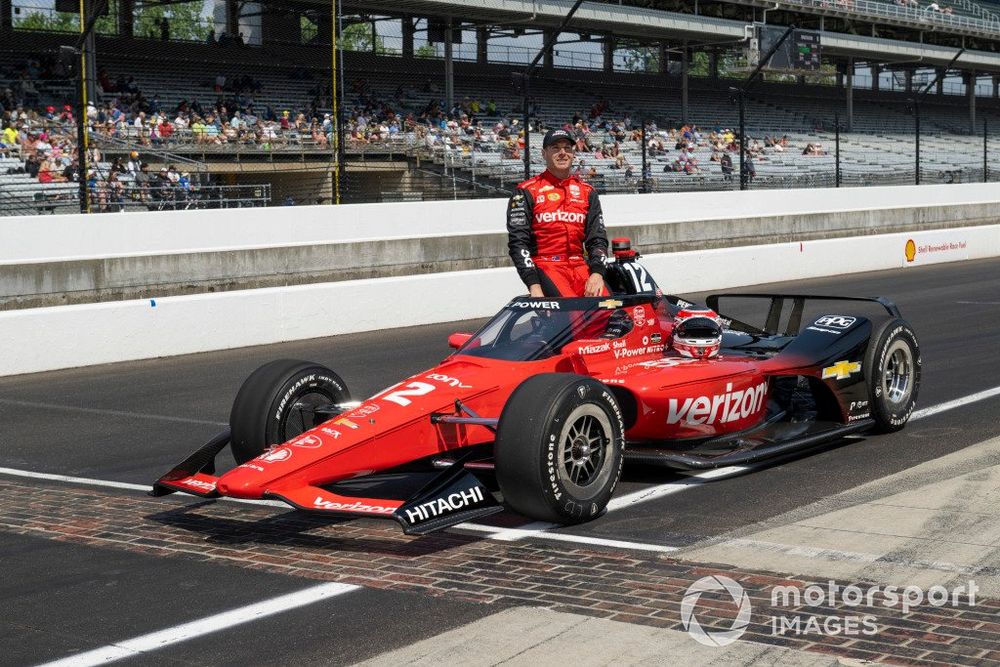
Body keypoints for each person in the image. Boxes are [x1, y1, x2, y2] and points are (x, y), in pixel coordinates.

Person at [506, 128, 609, 298]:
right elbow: (518, 242)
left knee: (610, 312)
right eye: (555, 148)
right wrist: (534, 285)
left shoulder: (587, 192)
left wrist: (597, 273)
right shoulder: (525, 191)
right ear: (544, 153)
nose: (562, 153)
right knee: (574, 316)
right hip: (547, 265)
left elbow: (597, 239)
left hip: (580, 266)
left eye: (567, 148)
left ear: (573, 153)